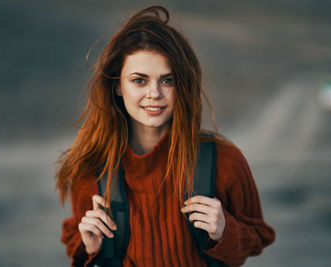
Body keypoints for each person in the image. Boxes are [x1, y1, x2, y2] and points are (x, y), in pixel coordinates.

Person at [56, 5, 275, 267]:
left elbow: (259, 235)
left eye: (167, 80)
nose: (154, 93)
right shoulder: (92, 168)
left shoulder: (225, 161)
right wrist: (91, 248)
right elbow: (75, 239)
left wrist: (224, 231)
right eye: (139, 80)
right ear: (117, 86)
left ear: (182, 85)